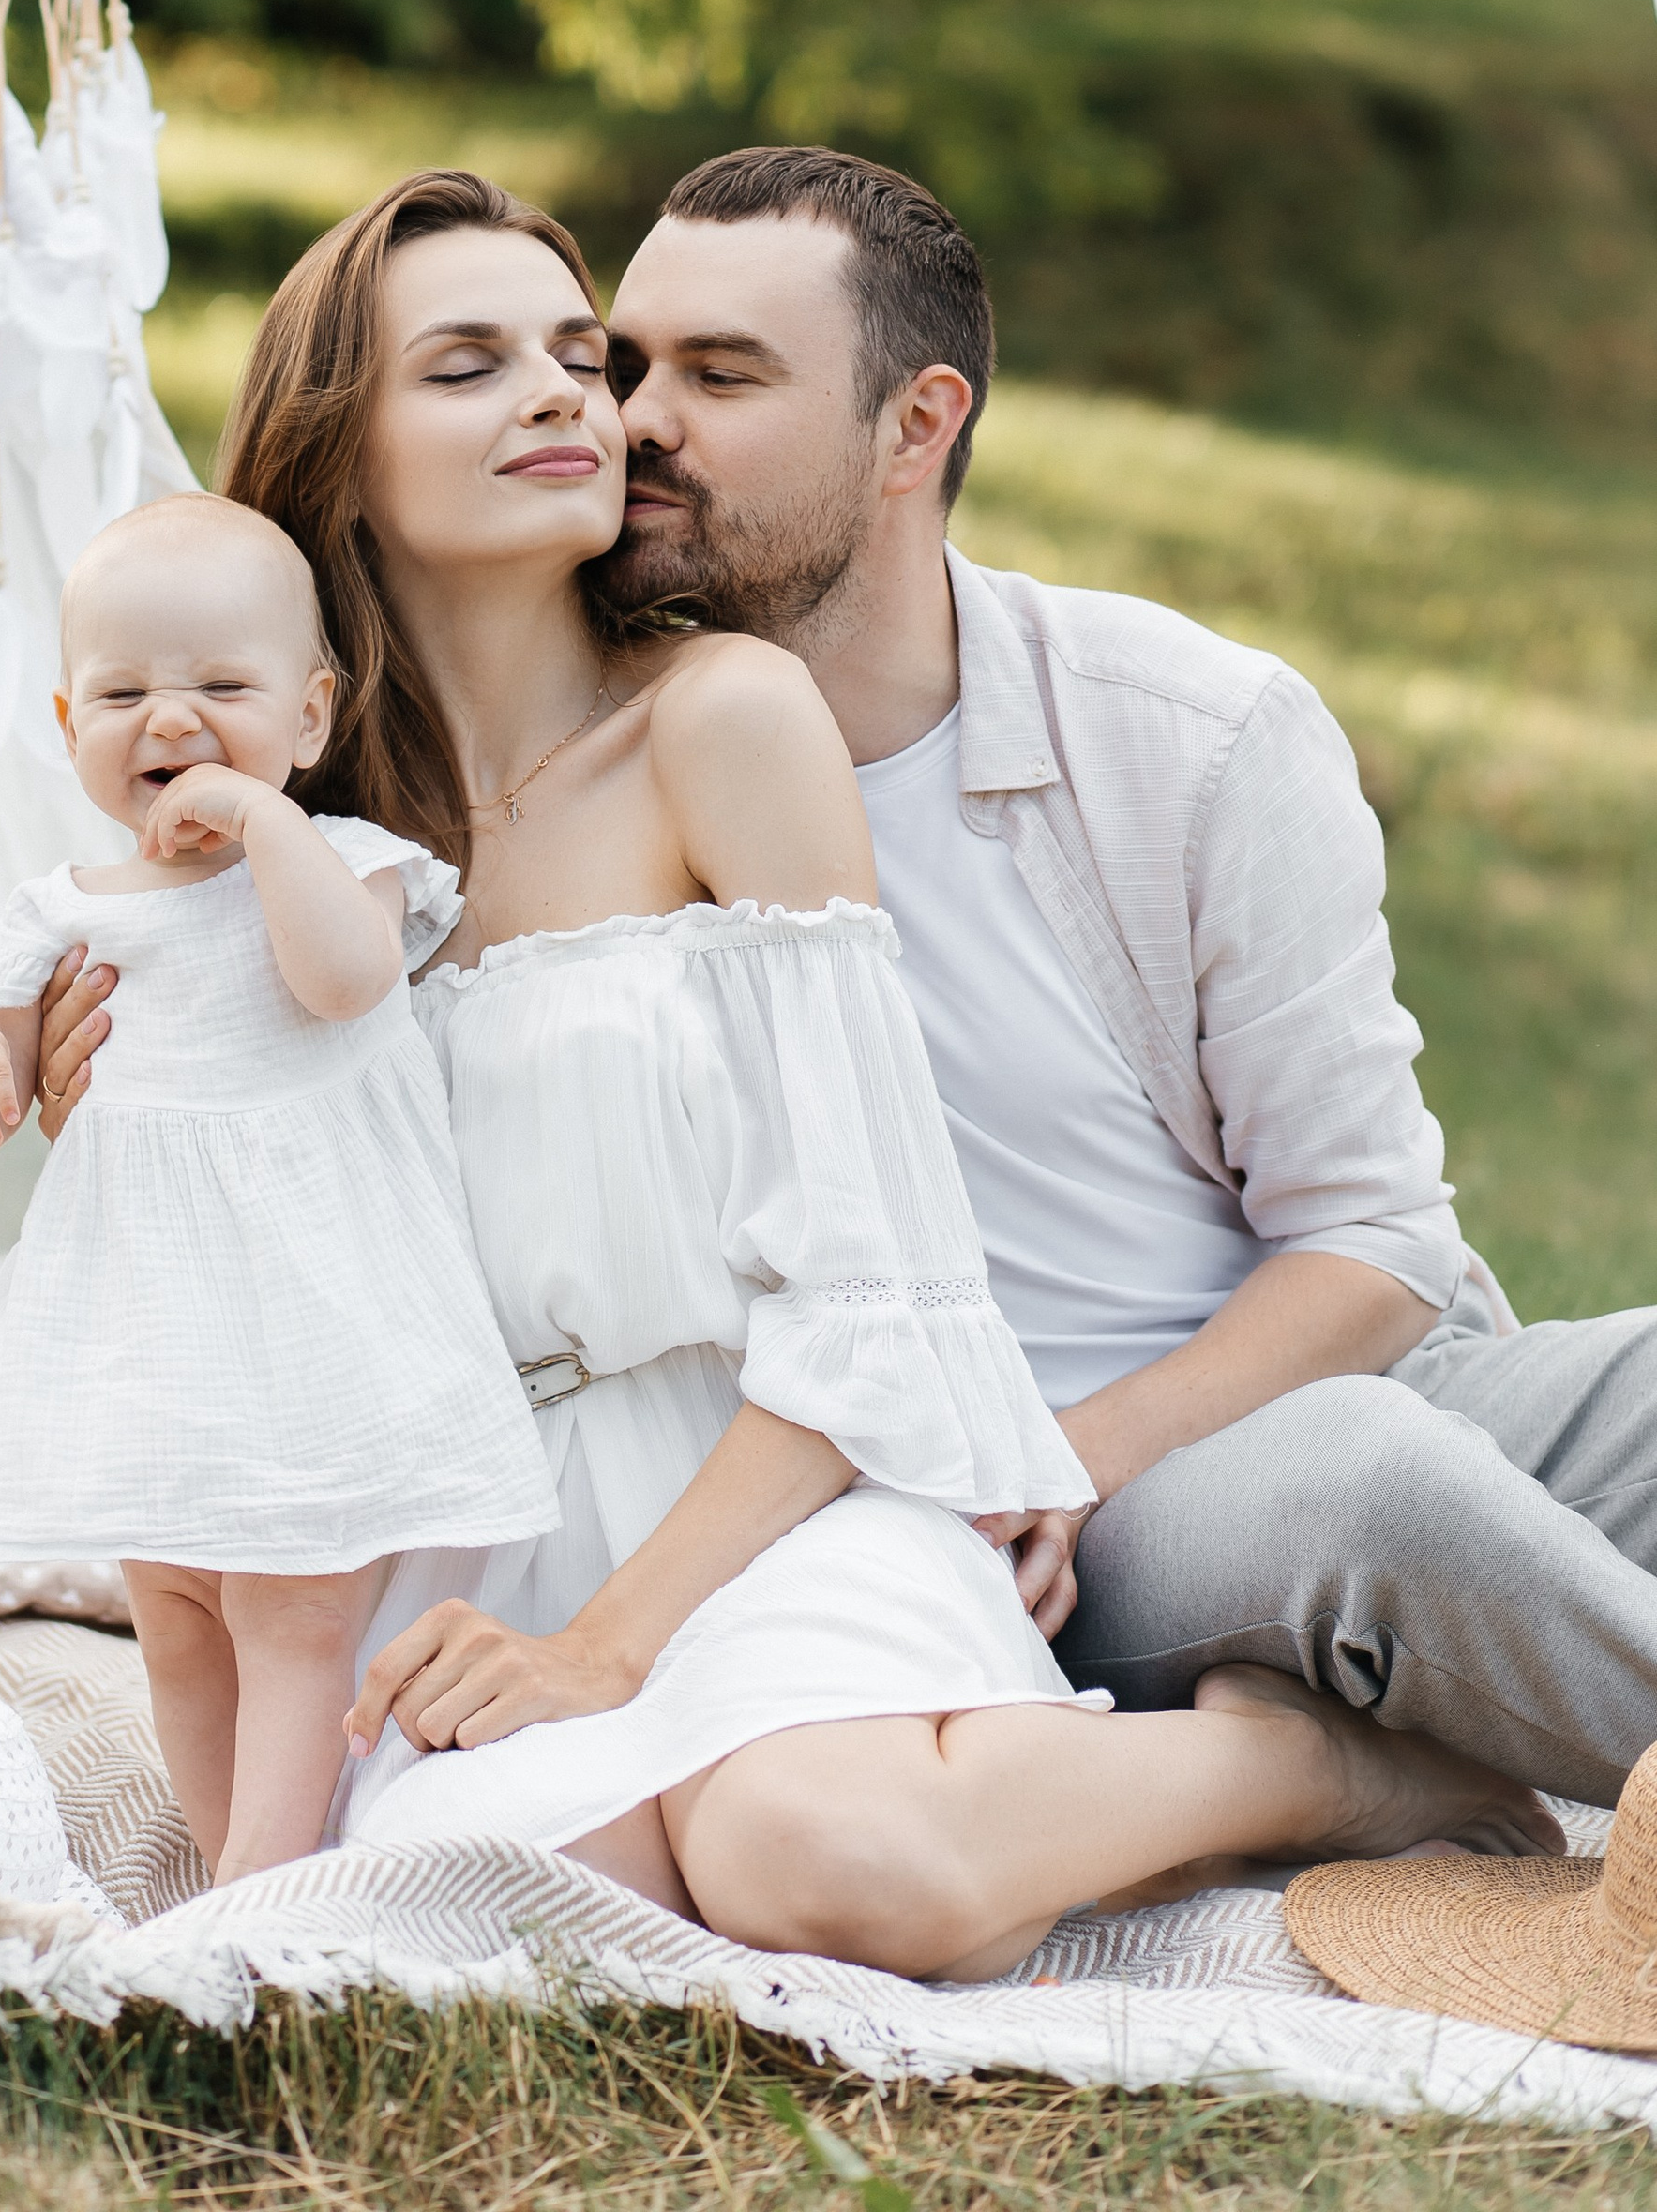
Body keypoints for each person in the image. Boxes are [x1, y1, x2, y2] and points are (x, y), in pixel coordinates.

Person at [32, 170, 1553, 1973]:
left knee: (826, 1863)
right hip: (471, 1520)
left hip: (771, 1480)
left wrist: (611, 1642)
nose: (564, 398)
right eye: (467, 367)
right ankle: (990, 1792)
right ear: (335, 456)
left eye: (571, 355)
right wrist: (105, 1091)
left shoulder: (725, 721)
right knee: (499, 1915)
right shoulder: (296, 842)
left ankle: (1305, 1766)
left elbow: (879, 1266)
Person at [578, 140, 1657, 1813]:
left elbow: (1373, 1242)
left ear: (915, 428)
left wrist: (1090, 1450)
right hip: (1014, 1540)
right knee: (1371, 1486)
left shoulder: (1187, 735)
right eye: (627, 363)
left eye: (721, 375)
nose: (640, 420)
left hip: (1241, 1411)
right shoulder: (578, 785)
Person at [0, 490, 558, 1884]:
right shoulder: (63, 905)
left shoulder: (349, 866)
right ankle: (214, 1870)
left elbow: (340, 983)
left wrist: (269, 827)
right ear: (70, 723)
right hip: (155, 1329)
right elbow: (9, 1067)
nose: (174, 721)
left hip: (315, 1314)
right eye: (126, 691)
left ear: (311, 719)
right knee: (179, 1615)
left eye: (223, 688)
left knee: (292, 1613)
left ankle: (268, 1892)